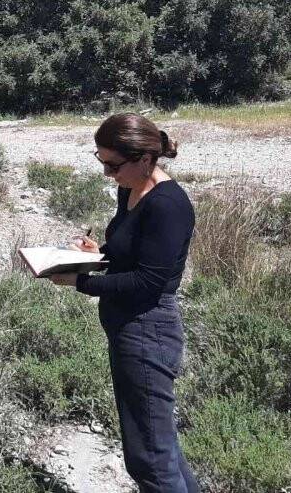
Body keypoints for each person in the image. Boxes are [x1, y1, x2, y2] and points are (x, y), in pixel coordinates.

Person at [48, 113, 199, 493]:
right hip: (129, 327)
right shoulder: (130, 190)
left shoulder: (169, 205)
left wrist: (81, 282)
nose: (106, 173)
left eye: (113, 165)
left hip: (149, 328)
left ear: (145, 159)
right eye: (101, 162)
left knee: (149, 457)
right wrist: (98, 253)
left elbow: (150, 282)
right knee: (157, 443)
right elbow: (129, 254)